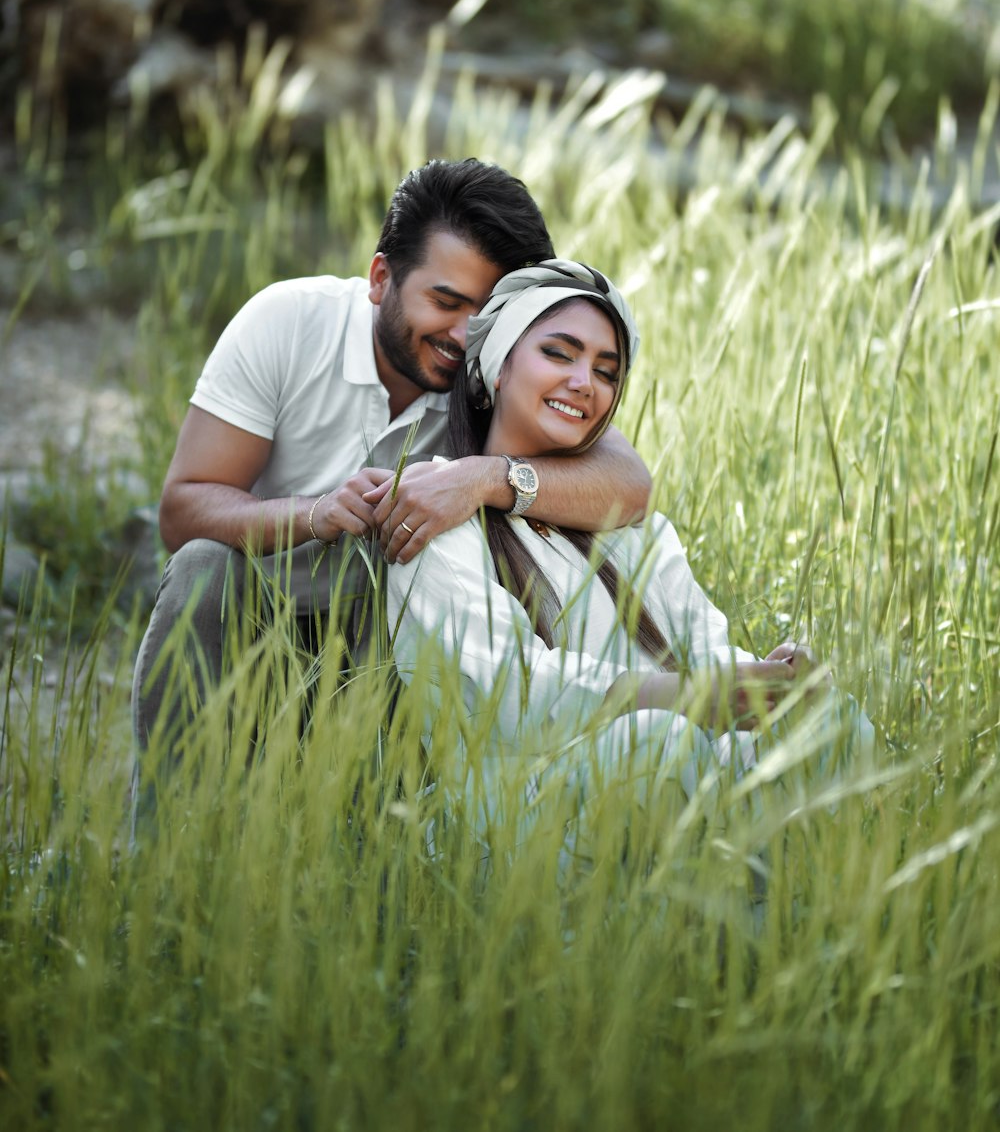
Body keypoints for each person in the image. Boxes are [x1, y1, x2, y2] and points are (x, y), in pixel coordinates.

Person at [131, 161, 653, 787]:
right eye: (445, 301)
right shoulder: (287, 322)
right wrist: (314, 514)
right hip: (251, 623)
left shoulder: (494, 372)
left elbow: (629, 484)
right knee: (201, 568)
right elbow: (181, 511)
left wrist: (485, 478)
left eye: (486, 314)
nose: (465, 335)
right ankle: (166, 832)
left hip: (389, 652)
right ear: (381, 278)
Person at [386, 260, 875, 854]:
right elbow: (513, 697)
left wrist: (769, 681)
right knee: (656, 743)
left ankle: (774, 924)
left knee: (833, 723)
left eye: (605, 371)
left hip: (668, 772)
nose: (584, 382)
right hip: (511, 816)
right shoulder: (439, 513)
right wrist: (688, 698)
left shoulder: (631, 529)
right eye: (559, 354)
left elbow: (703, 644)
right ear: (495, 369)